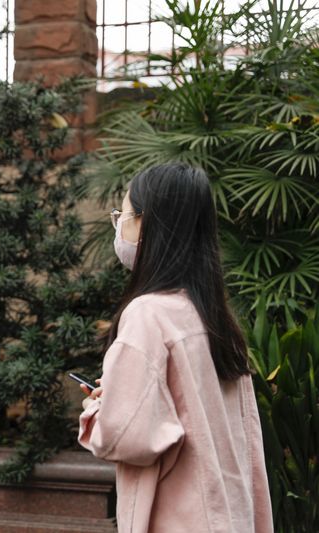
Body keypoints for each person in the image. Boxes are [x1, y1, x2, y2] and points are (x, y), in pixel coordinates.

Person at [78, 163, 273, 532]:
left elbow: (127, 436)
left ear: (148, 223)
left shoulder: (149, 314)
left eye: (124, 214)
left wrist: (96, 410)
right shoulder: (214, 316)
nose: (119, 225)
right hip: (231, 515)